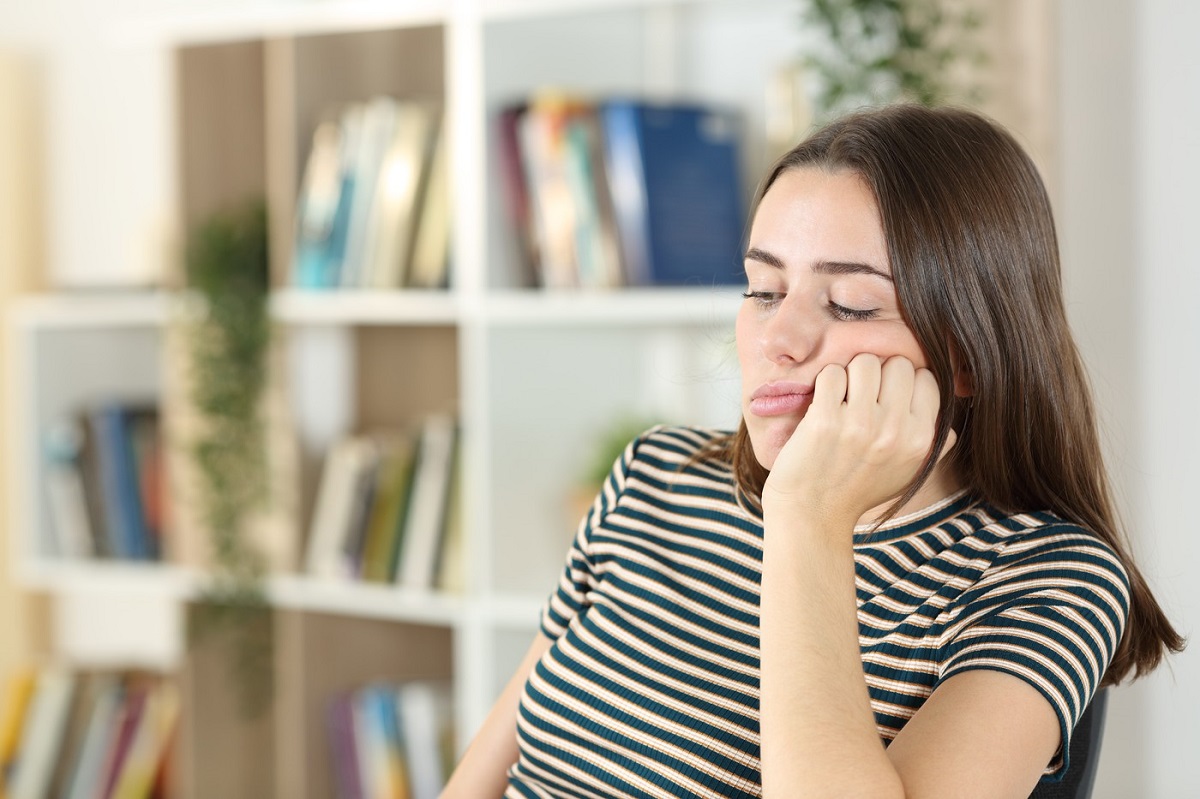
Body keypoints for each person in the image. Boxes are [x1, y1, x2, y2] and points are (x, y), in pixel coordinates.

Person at [441, 104, 1184, 798]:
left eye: (849, 304)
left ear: (965, 356)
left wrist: (807, 517)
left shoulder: (1047, 577)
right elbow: (487, 768)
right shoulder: (654, 476)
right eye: (763, 289)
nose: (778, 339)